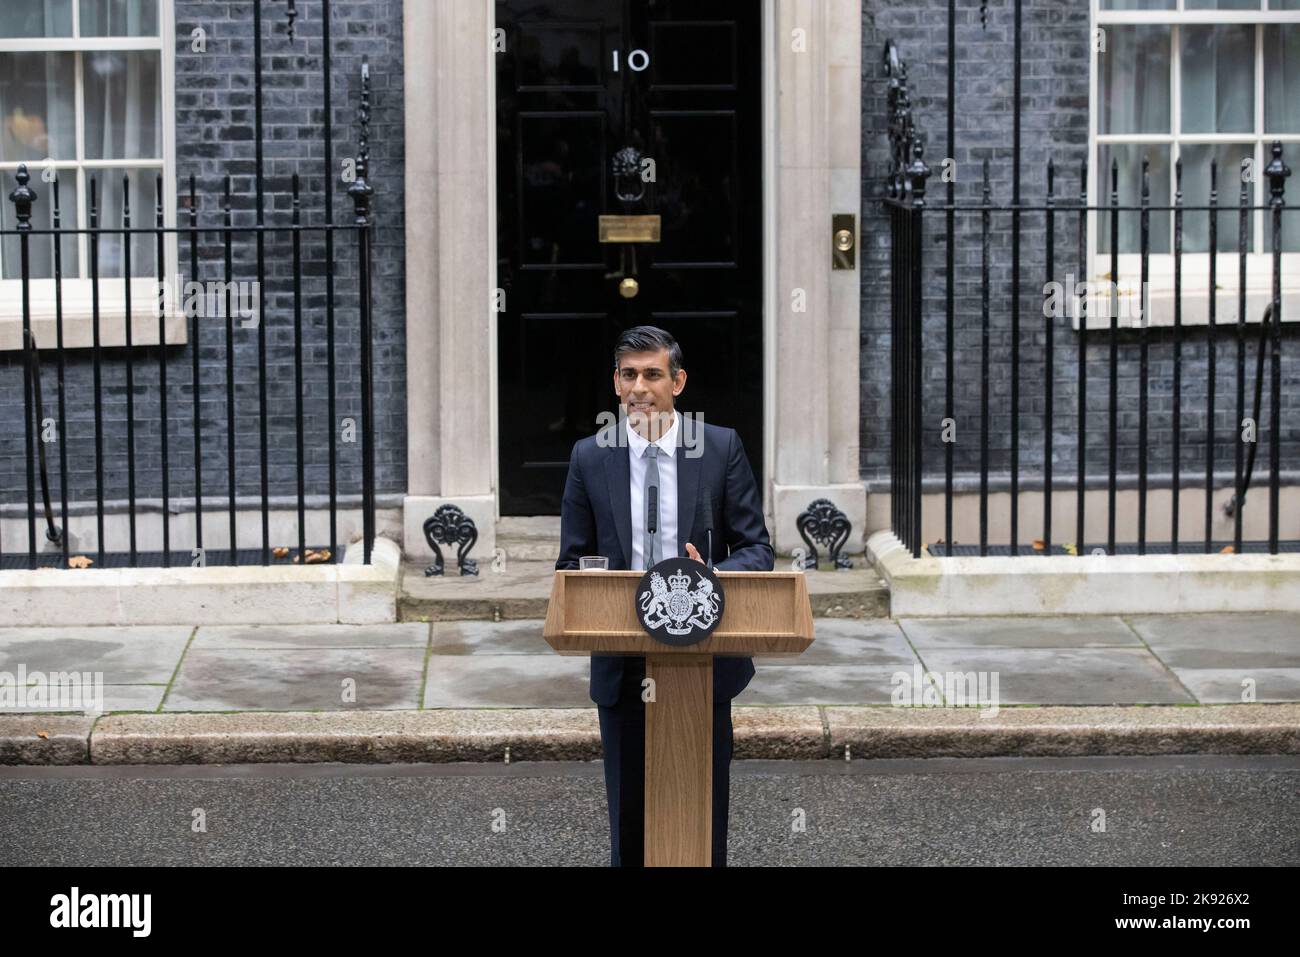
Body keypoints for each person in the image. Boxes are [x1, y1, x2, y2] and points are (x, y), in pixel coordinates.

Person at [554, 325, 774, 867]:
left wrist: (713, 574)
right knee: (629, 825)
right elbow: (570, 562)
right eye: (628, 374)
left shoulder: (720, 447)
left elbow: (757, 548)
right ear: (614, 383)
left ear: (678, 382)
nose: (639, 387)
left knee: (701, 817)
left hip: (701, 657)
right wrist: (598, 582)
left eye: (653, 374)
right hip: (624, 659)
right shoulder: (590, 456)